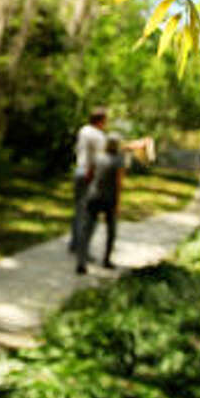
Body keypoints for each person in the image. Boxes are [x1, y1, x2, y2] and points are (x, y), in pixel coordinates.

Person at [76, 136, 124, 274]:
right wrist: (118, 204)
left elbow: (89, 176)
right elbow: (119, 183)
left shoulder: (96, 157)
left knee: (87, 230)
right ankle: (106, 260)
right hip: (110, 199)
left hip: (93, 196)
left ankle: (81, 263)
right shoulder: (119, 160)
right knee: (111, 231)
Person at [70, 107, 109, 256]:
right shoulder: (98, 135)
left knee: (78, 209)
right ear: (101, 121)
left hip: (79, 170)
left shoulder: (83, 130)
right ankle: (82, 249)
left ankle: (74, 243)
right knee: (89, 213)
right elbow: (102, 155)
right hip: (89, 174)